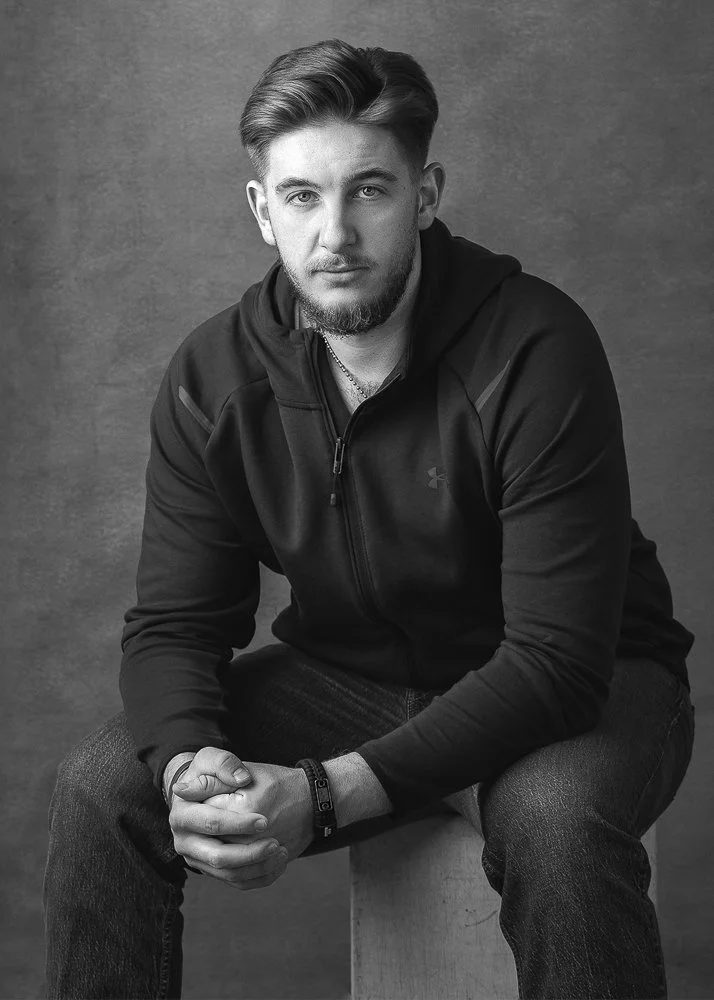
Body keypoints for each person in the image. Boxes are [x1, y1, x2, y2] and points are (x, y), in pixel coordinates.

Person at [44, 38, 696, 1000]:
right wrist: (195, 762)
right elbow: (180, 624)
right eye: (303, 197)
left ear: (426, 196)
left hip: (585, 683)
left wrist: (323, 794)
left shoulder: (536, 346)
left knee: (555, 822)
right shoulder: (213, 378)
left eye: (370, 191)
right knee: (104, 785)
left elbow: (556, 660)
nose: (335, 234)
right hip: (353, 678)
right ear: (263, 211)